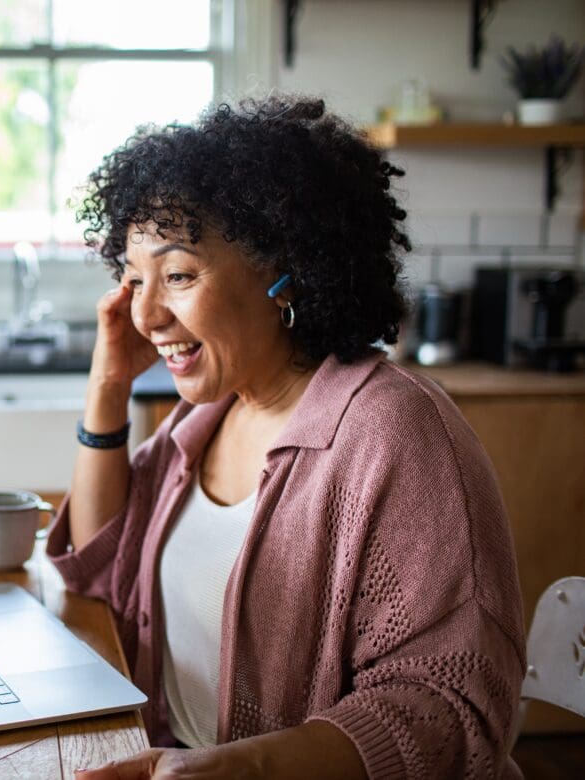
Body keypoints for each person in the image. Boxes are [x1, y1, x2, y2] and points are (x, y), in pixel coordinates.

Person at [50, 95, 525, 779]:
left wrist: (243, 770)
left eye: (179, 275)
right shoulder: (205, 419)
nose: (147, 314)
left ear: (284, 274)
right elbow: (106, 569)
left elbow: (448, 708)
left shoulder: (396, 434)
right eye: (133, 279)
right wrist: (107, 388)